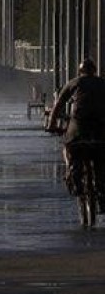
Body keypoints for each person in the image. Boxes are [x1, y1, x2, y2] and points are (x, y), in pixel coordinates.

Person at [47, 58, 105, 195]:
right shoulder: (103, 83)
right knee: (101, 157)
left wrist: (51, 125)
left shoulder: (74, 82)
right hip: (100, 128)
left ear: (80, 71)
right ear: (94, 71)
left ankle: (76, 180)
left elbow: (58, 105)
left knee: (71, 148)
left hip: (78, 127)